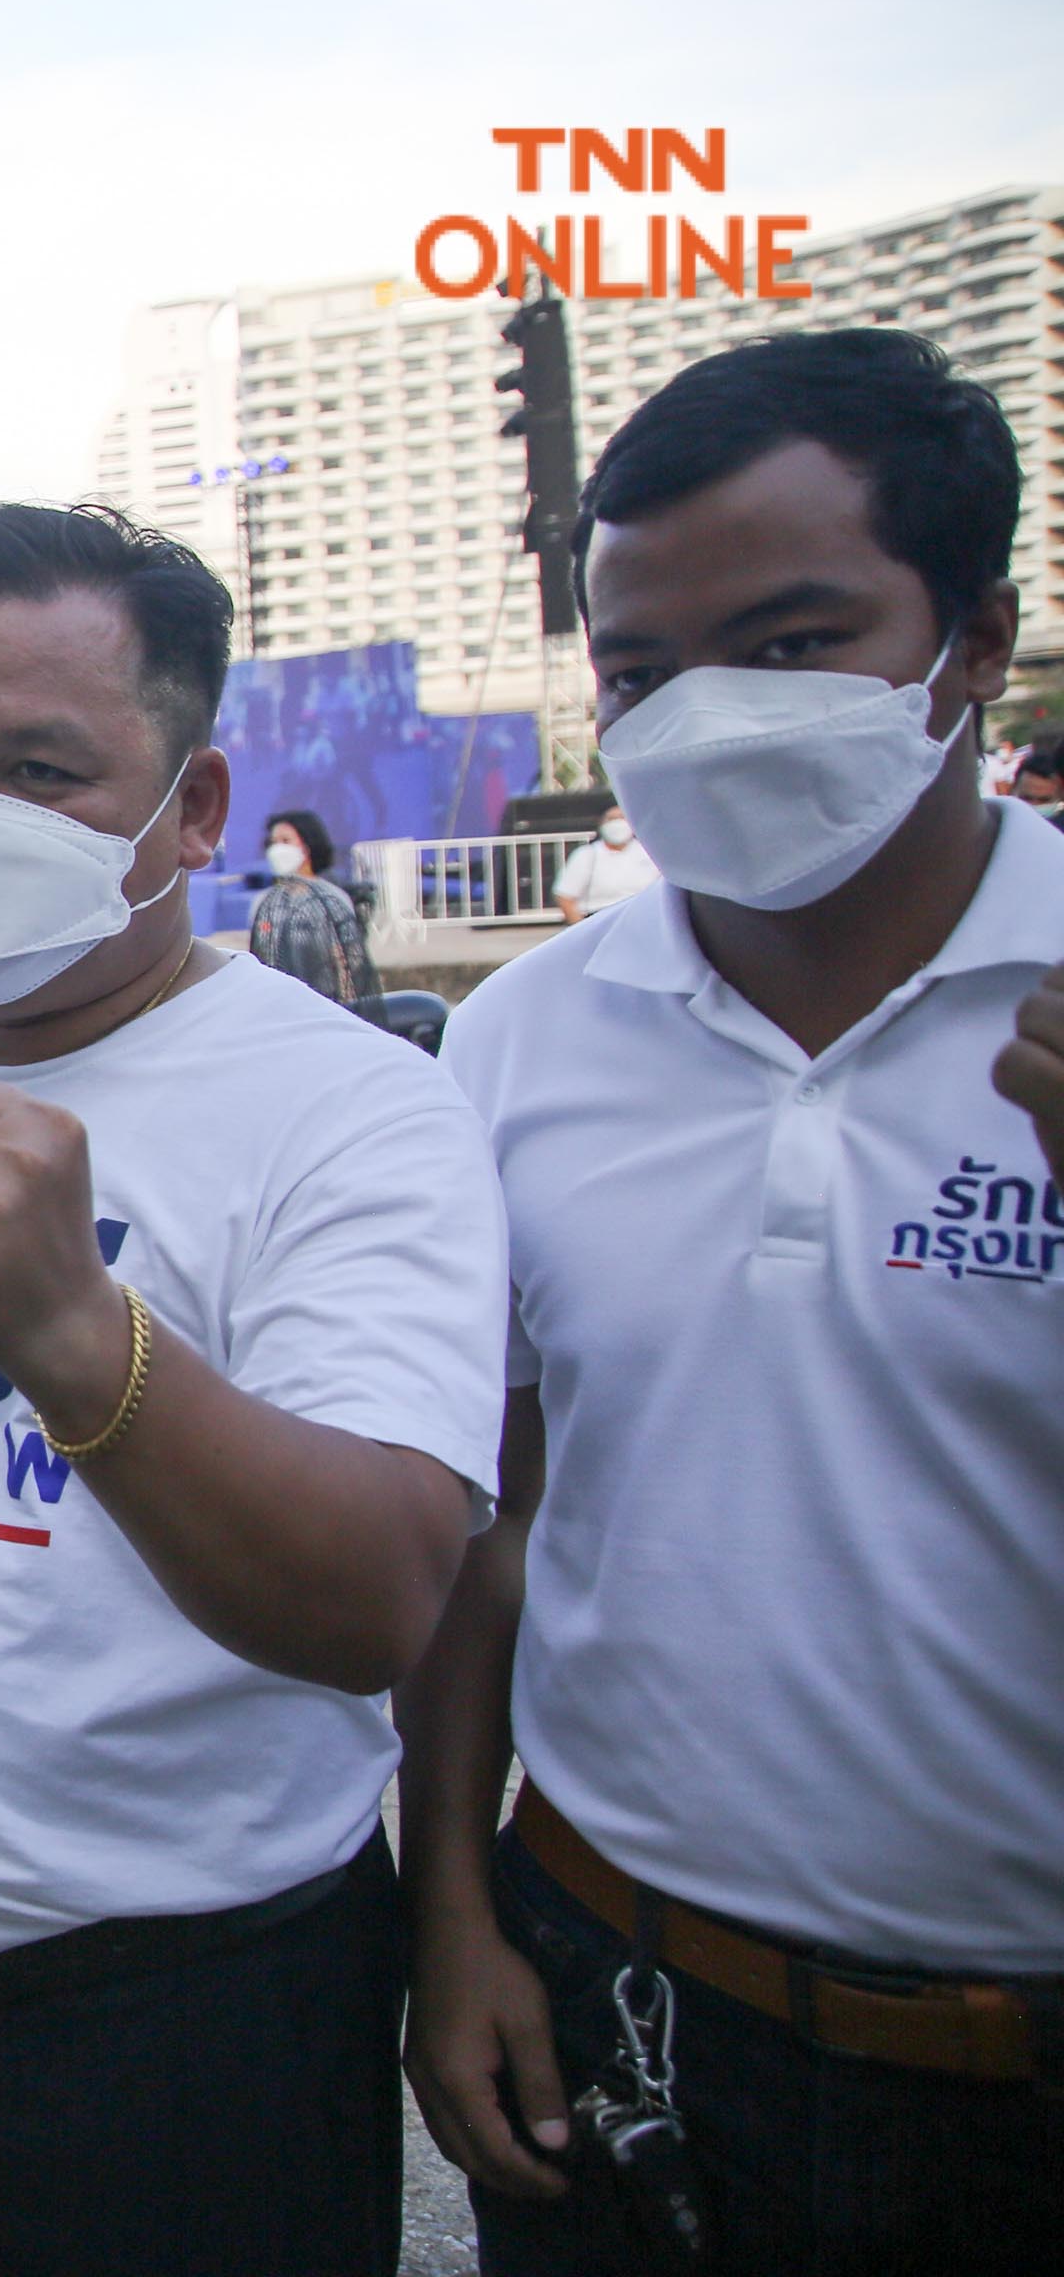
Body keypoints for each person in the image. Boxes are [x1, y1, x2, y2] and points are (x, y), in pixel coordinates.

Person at [0, 502, 505, 2275]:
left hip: (183, 2019)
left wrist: (84, 1340)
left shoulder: (352, 1109)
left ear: (197, 809)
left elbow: (385, 1593)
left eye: (43, 769)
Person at [402, 329, 1063, 2274]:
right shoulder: (520, 1043)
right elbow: (486, 1518)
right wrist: (453, 1907)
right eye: (640, 673)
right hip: (630, 1998)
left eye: (791, 645)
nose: (703, 718)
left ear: (975, 645)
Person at [245, 805, 385, 1013]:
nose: (277, 849)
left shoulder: (332, 897)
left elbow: (349, 960)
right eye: (273, 843)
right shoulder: (263, 902)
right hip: (278, 1006)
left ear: (307, 845)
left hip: (326, 1002)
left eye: (286, 841)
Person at [550, 808, 659, 922]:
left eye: (622, 818)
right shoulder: (587, 854)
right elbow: (565, 896)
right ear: (601, 824)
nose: (617, 823)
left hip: (643, 918)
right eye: (612, 819)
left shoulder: (648, 851)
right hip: (600, 918)